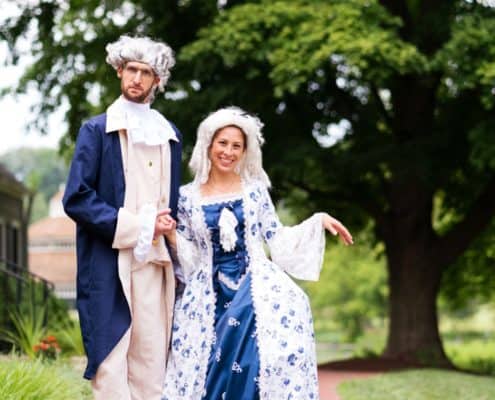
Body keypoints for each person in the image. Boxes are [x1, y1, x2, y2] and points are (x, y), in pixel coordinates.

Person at [162, 107, 353, 399]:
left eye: (236, 146)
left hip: (256, 289)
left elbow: (276, 238)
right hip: (207, 295)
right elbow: (190, 256)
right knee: (207, 369)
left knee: (256, 364)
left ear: (244, 152)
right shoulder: (187, 196)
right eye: (222, 143)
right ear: (209, 145)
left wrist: (317, 221)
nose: (228, 151)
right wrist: (168, 233)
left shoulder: (254, 191)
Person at [63, 35, 182, 400]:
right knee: (110, 369)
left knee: (152, 369)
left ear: (157, 81)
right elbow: (77, 199)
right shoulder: (96, 131)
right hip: (109, 263)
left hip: (155, 264)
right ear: (119, 71)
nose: (137, 78)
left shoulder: (170, 135)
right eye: (131, 69)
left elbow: (172, 202)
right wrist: (140, 226)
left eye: (146, 72)